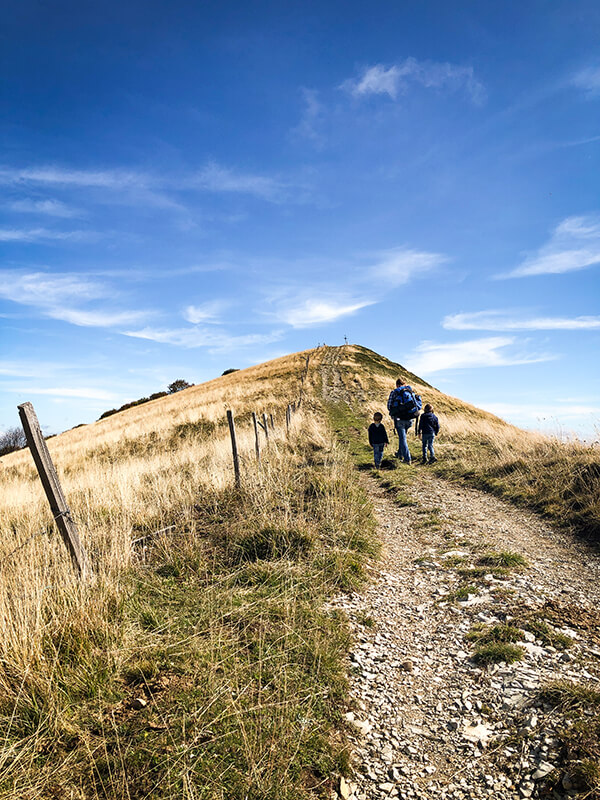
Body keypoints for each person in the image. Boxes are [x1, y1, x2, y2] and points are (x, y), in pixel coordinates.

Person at [387, 379, 422, 464]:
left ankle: (407, 458)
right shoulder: (410, 391)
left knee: (403, 439)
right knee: (403, 438)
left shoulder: (394, 392)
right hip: (410, 419)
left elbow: (389, 406)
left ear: (397, 385)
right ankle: (400, 454)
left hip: (399, 419)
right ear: (404, 384)